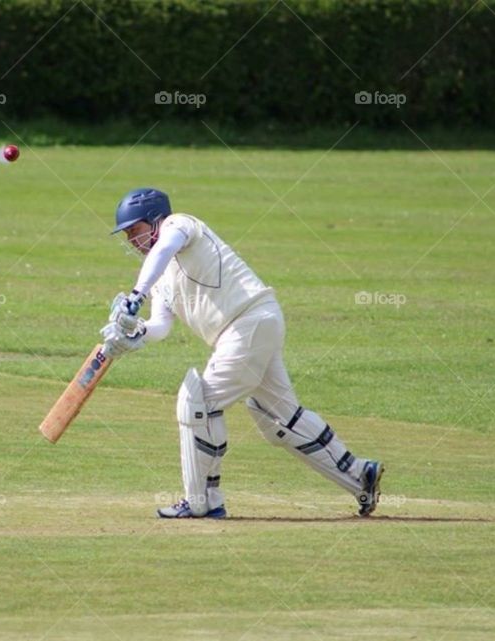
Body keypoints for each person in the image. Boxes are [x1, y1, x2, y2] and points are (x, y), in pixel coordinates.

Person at [100, 187, 383, 518]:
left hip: (247, 322)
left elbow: (165, 247)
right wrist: (136, 334)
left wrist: (136, 295)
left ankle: (202, 501)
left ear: (155, 219)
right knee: (278, 417)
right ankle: (359, 474)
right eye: (128, 234)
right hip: (253, 326)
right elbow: (161, 325)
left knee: (198, 403)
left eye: (136, 230)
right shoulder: (160, 274)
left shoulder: (181, 225)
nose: (132, 240)